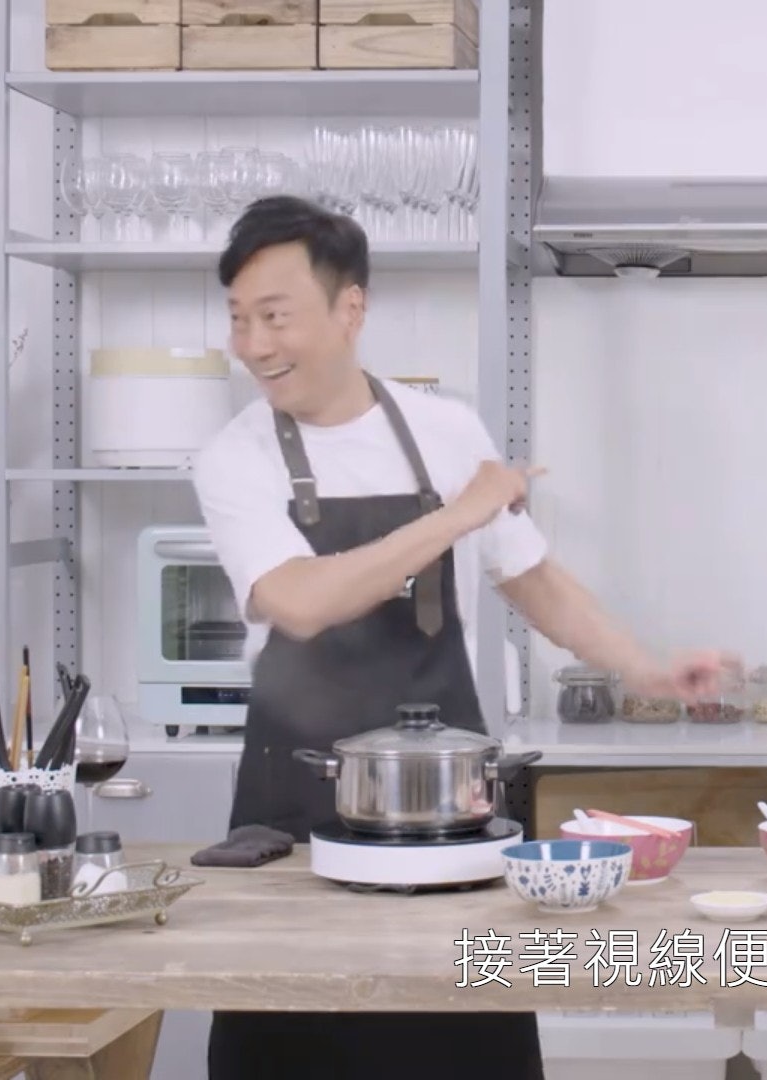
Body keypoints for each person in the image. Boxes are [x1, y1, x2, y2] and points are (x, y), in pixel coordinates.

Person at [190, 195, 736, 1080]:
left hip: (451, 813)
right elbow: (299, 601)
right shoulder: (235, 455)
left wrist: (650, 671)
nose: (254, 344)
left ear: (350, 309)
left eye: (275, 316)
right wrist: (457, 513)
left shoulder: (445, 431)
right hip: (295, 818)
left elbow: (536, 582)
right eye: (239, 318)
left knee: (462, 1047)